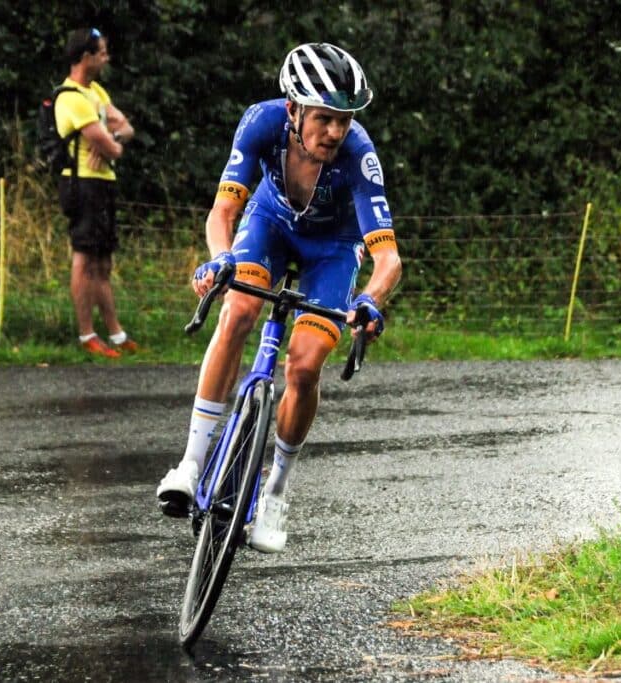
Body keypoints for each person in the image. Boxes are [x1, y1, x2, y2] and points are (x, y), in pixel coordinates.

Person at [157, 43, 402, 553]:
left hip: (332, 251)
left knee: (306, 364)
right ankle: (190, 463)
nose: (335, 131)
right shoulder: (261, 123)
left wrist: (371, 300)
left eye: (345, 119)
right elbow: (222, 212)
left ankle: (276, 490)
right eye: (323, 118)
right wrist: (220, 258)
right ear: (293, 110)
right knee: (239, 308)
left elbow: (388, 259)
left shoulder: (360, 155)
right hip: (267, 224)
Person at [55, 27, 139, 358]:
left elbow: (124, 129)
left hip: (103, 181)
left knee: (103, 260)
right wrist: (112, 141)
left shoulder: (97, 93)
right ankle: (86, 334)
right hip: (82, 183)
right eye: (101, 52)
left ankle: (116, 334)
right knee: (84, 256)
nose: (106, 57)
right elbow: (111, 144)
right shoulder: (71, 97)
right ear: (85, 57)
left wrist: (112, 139)